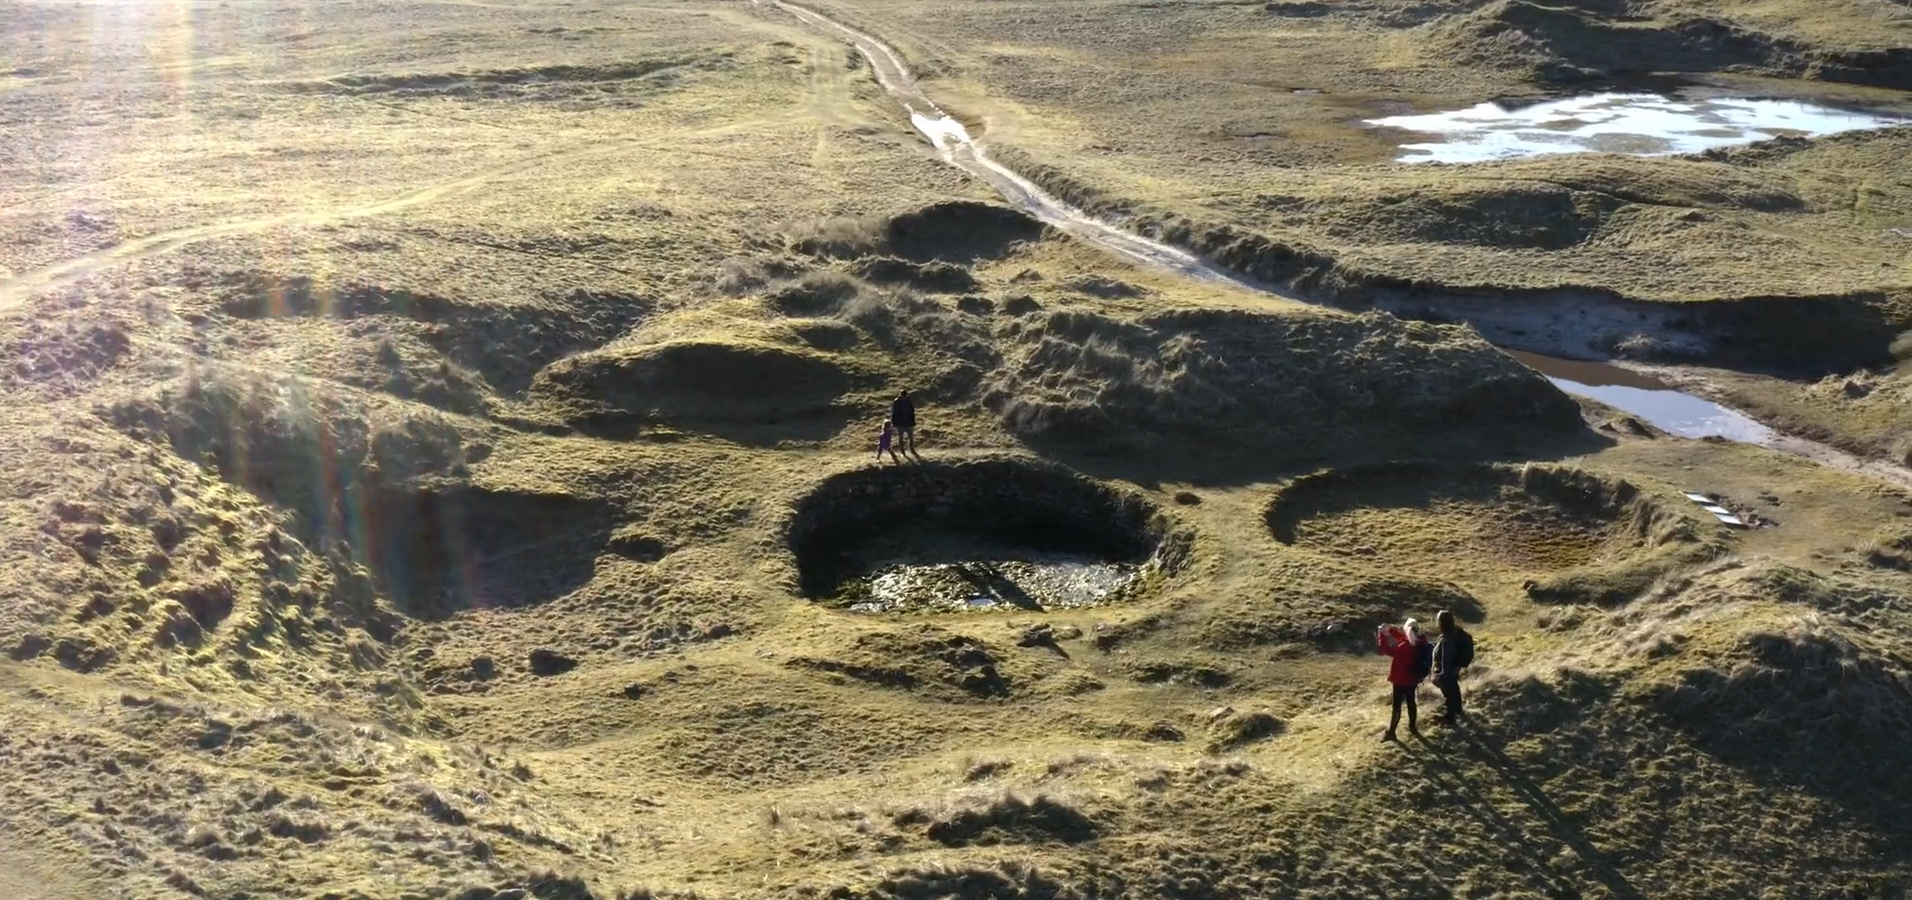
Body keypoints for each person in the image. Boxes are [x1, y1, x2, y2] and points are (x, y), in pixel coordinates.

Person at [1376, 618, 1429, 742]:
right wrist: (1390, 630)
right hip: (1413, 678)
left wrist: (1381, 636)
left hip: (1400, 680)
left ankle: (1392, 732)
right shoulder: (1421, 641)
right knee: (1411, 701)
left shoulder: (1405, 646)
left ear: (1407, 630)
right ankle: (1412, 727)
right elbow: (1404, 637)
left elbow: (1387, 650)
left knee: (1397, 706)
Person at [1432, 609, 1473, 722]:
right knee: (1454, 687)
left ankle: (1450, 717)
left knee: (1448, 690)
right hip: (1455, 665)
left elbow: (1446, 656)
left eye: (1438, 620)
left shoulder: (1448, 638)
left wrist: (1441, 673)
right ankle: (1458, 709)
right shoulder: (1455, 633)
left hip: (1448, 668)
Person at [889, 389, 917, 456]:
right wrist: (894, 421)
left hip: (908, 421)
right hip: (900, 422)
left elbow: (912, 412)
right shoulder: (897, 402)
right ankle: (902, 450)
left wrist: (913, 421)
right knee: (901, 437)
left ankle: (911, 449)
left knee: (910, 436)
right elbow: (894, 413)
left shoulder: (909, 402)